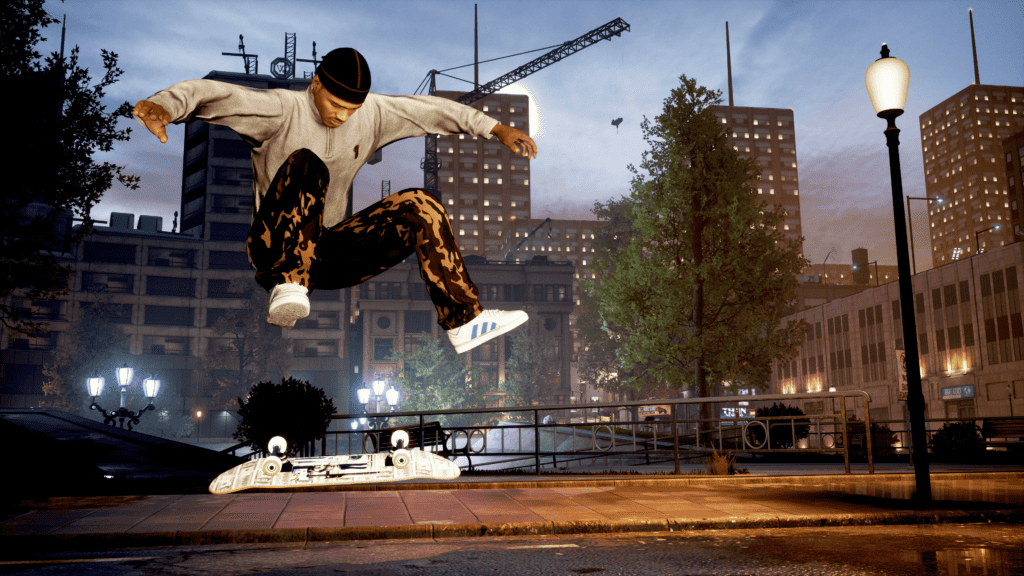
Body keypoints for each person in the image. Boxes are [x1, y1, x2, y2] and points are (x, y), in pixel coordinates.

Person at [134, 47, 535, 354]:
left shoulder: (373, 113)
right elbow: (215, 95)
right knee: (309, 164)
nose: (343, 117)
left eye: (352, 109)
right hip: (275, 245)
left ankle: (464, 320)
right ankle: (289, 283)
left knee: (421, 204)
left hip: (329, 253)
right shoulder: (279, 108)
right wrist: (166, 106)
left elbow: (430, 111)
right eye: (335, 106)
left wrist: (495, 128)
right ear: (315, 86)